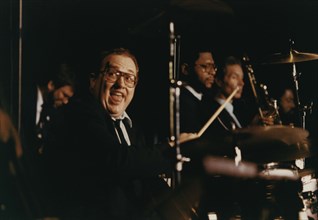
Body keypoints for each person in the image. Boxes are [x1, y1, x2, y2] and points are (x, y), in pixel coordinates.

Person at [47, 47, 198, 219]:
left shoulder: (132, 128)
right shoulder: (80, 112)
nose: (121, 85)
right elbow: (118, 160)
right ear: (93, 81)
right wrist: (172, 148)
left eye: (129, 78)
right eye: (112, 74)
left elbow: (144, 177)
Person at [20, 61, 77, 218]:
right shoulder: (21, 98)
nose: (65, 101)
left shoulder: (53, 112)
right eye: (64, 95)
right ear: (51, 85)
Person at [179, 46, 217, 133]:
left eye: (213, 67)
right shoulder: (182, 102)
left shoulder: (204, 101)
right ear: (185, 69)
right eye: (206, 66)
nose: (213, 72)